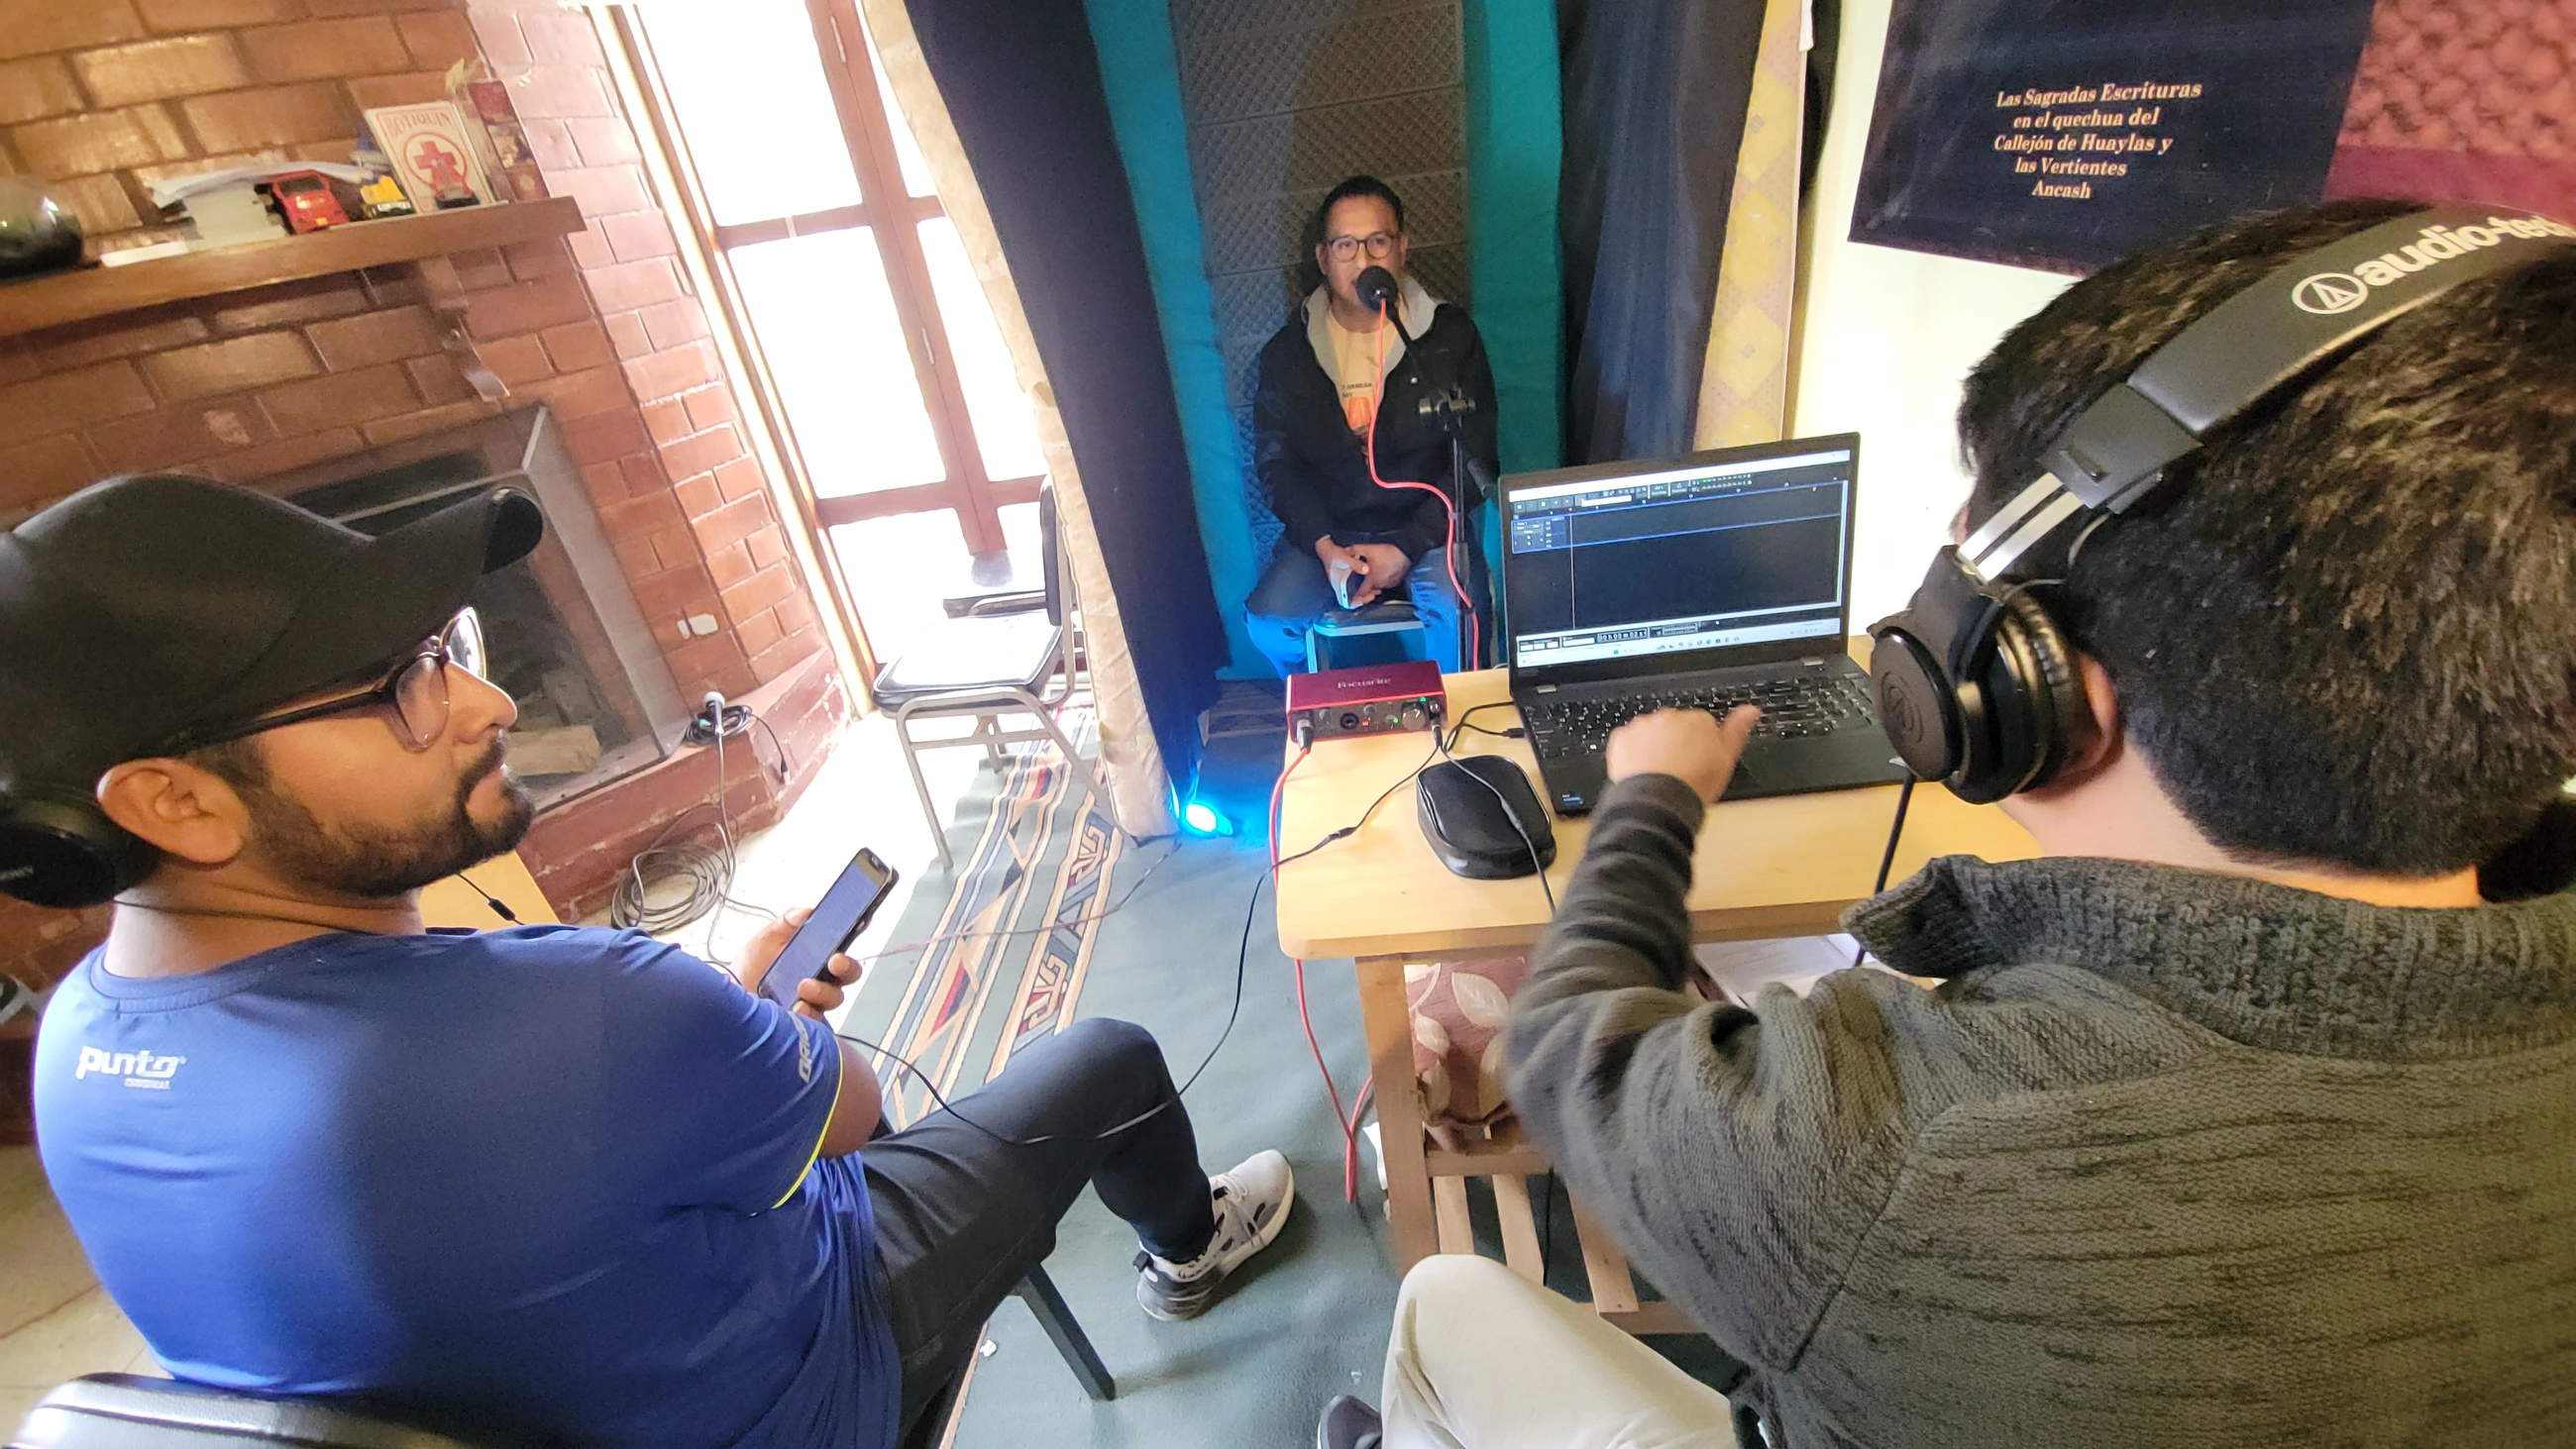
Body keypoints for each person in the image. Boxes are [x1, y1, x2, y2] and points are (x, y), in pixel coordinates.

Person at [1318, 197, 2576, 1448]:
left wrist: (1652, 795)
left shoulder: (1883, 1147)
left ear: (2024, 691)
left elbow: (1567, 1049)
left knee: (1443, 1300)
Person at [12, 474, 1296, 1449]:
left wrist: (709, 1026)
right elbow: (854, 1119)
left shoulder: (71, 1045)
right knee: (1108, 1056)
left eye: (447, 648)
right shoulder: (583, 1013)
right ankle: (1189, 1250)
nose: (487, 703)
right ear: (176, 801)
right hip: (808, 1379)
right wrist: (740, 1021)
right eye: (399, 684)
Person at [1245, 174, 1499, 674]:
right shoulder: (1286, 355)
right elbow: (1277, 468)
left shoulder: (1451, 337)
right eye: (1346, 245)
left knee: (1461, 615)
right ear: (1323, 258)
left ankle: (1453, 721)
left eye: (1377, 241)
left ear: (1402, 248)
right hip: (1329, 534)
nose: (1363, 259)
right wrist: (1325, 548)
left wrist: (1407, 545)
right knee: (1270, 622)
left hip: (1428, 531)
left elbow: (1478, 457)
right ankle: (1324, 715)